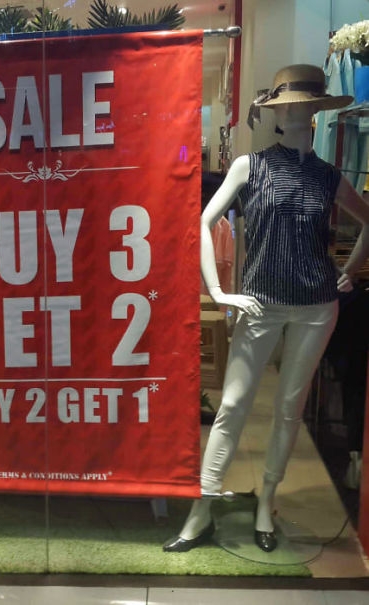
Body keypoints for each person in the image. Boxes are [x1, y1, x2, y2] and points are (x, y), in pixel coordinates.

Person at [163, 64, 369, 553]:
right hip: (261, 303)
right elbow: (203, 221)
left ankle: (266, 504)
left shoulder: (328, 176)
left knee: (289, 409)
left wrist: (350, 269)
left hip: (317, 306)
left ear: (316, 112)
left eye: (306, 105)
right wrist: (218, 290)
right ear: (276, 114)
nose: (297, 113)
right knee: (233, 405)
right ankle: (201, 507)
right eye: (288, 106)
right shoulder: (250, 166)